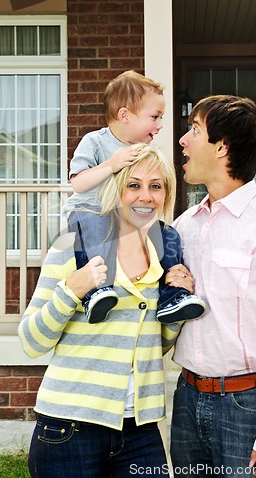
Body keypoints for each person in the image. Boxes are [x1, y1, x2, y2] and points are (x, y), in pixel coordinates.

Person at [18, 145, 194, 478]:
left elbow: (153, 346)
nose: (145, 196)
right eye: (134, 185)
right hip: (70, 427)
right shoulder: (73, 246)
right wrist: (71, 291)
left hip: (140, 429)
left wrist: (178, 309)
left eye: (156, 186)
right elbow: (31, 341)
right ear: (117, 189)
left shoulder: (164, 254)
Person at [170, 95, 256, 478]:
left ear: (222, 147)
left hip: (248, 408)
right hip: (187, 400)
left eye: (193, 129)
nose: (182, 140)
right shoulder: (185, 227)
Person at [64, 70, 205, 324]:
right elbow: (78, 184)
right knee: (96, 227)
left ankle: (172, 296)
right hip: (91, 216)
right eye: (155, 116)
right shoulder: (95, 142)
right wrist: (111, 164)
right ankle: (96, 292)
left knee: (168, 234)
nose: (160, 124)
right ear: (124, 115)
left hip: (125, 221)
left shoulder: (144, 151)